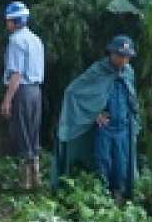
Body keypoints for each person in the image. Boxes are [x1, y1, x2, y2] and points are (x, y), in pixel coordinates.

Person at [54, 35, 140, 198]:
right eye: (120, 56)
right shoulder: (98, 70)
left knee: (122, 167)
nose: (124, 60)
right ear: (111, 53)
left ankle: (118, 200)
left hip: (123, 129)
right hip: (105, 129)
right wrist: (94, 114)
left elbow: (132, 99)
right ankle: (102, 199)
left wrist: (134, 123)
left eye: (127, 57)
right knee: (103, 164)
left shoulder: (128, 73)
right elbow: (73, 92)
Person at [0, 1, 45, 189]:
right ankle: (36, 175)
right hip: (36, 91)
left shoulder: (16, 41)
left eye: (7, 20)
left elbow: (16, 73)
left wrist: (7, 100)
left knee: (22, 132)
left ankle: (25, 180)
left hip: (23, 91)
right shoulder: (35, 39)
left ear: (13, 21)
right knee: (32, 132)